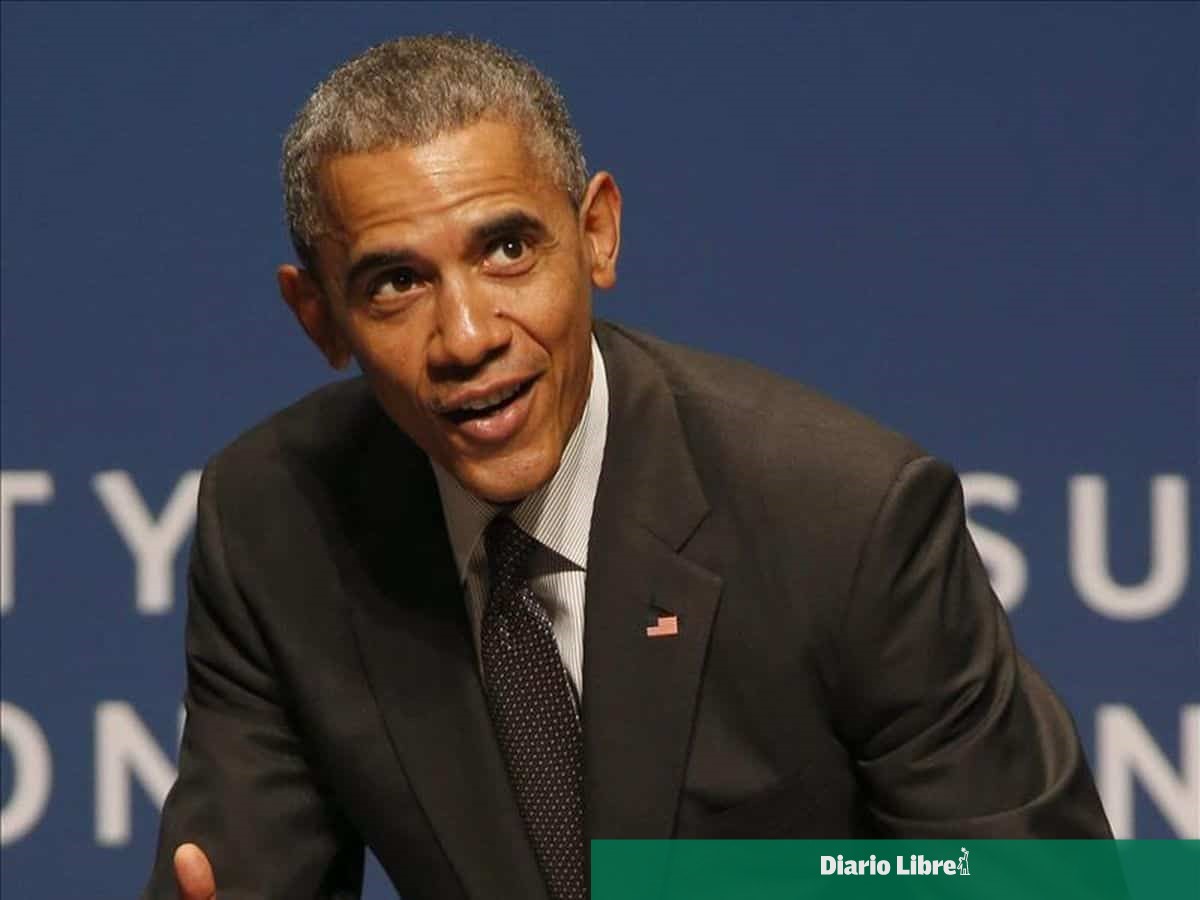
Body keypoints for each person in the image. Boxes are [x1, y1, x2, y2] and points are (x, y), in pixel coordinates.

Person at [143, 34, 1112, 900]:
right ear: (318, 318)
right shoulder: (275, 523)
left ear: (596, 234)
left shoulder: (841, 516)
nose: (468, 336)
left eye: (507, 249)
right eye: (397, 282)